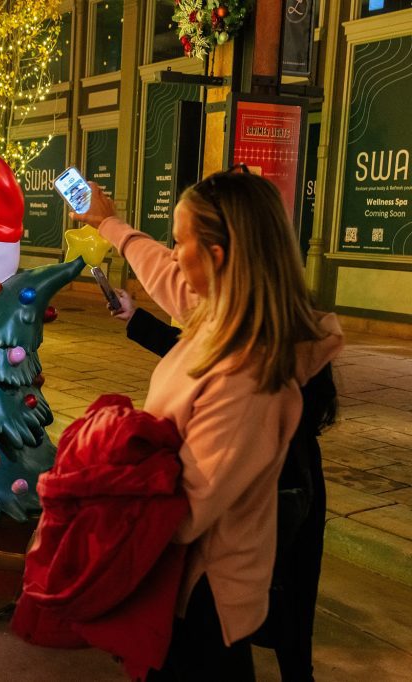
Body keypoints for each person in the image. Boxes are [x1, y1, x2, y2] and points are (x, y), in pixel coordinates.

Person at [71, 169, 343, 680]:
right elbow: (165, 273)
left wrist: (98, 484)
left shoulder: (246, 373)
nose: (172, 255)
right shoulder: (221, 313)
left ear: (217, 258)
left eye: (180, 242)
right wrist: (109, 223)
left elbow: (188, 509)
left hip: (201, 592)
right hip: (183, 585)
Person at [108, 289, 336, 681]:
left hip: (269, 478)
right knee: (283, 596)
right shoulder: (286, 319)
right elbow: (197, 356)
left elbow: (208, 363)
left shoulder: (265, 335)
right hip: (290, 475)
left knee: (230, 600)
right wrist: (136, 318)